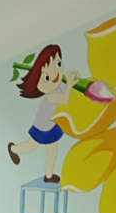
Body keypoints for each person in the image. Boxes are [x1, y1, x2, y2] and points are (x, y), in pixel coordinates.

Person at [7, 44, 79, 183]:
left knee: (52, 150)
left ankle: (49, 175)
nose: (55, 75)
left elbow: (67, 91)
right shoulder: (51, 96)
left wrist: (72, 82)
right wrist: (70, 84)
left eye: (58, 64)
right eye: (46, 77)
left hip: (51, 126)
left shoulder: (59, 85)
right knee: (31, 145)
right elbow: (65, 99)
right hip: (42, 127)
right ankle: (13, 149)